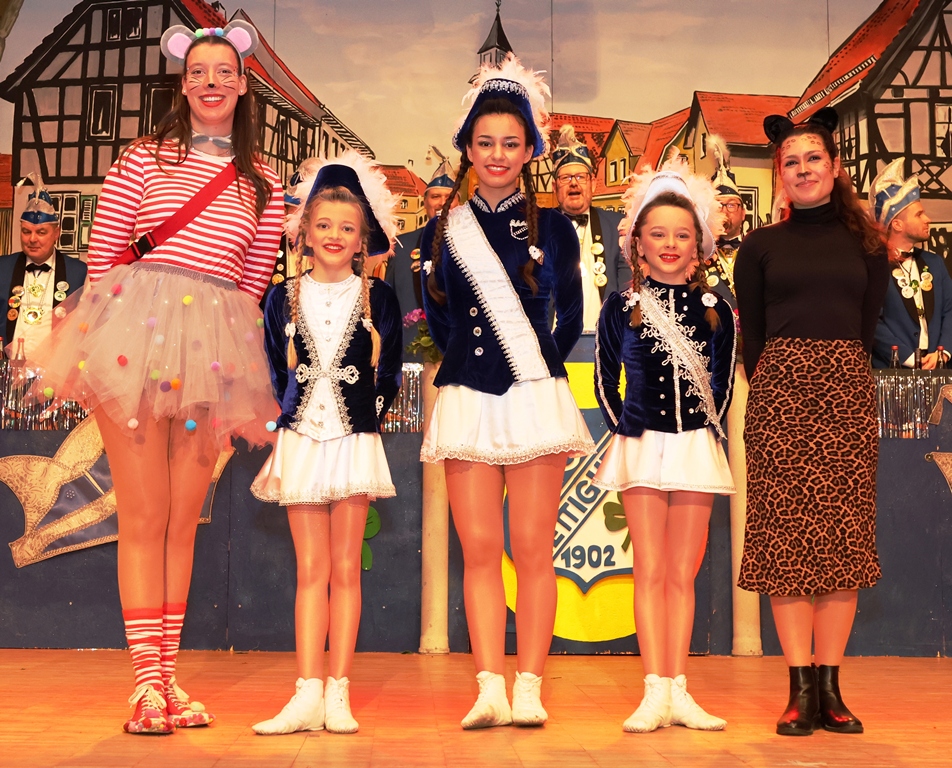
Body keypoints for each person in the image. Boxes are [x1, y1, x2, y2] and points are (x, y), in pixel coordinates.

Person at [29, 21, 284, 734]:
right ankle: (144, 685)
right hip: (132, 346)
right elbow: (104, 258)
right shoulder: (142, 157)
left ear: (243, 84)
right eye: (198, 71)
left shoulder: (264, 182)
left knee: (182, 521)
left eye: (224, 72)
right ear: (182, 82)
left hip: (213, 357)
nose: (211, 82)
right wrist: (115, 338)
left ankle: (167, 680)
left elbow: (254, 283)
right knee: (142, 516)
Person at [421, 54, 594, 729]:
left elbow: (571, 315)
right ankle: (489, 684)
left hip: (533, 396)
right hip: (469, 395)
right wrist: (470, 356)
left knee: (532, 549)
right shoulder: (444, 228)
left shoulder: (556, 228)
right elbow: (439, 316)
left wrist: (537, 360)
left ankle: (530, 685)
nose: (497, 154)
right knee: (478, 550)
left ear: (530, 151)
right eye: (484, 142)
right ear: (468, 148)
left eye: (510, 143)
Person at [734, 107, 889, 736]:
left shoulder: (868, 246)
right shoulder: (758, 247)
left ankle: (831, 689)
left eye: (813, 158)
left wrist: (832, 375)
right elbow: (752, 338)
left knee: (842, 541)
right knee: (787, 542)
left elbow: (865, 328)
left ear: (835, 166)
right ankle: (800, 690)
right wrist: (783, 385)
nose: (802, 170)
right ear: (781, 173)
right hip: (780, 401)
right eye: (791, 161)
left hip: (846, 397)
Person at [251, 152, 402, 735]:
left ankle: (339, 692)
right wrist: (296, 418)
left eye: (347, 227)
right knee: (310, 569)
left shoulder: (379, 298)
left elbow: (389, 374)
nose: (335, 236)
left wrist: (363, 419)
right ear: (305, 233)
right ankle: (306, 693)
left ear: (363, 239)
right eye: (323, 225)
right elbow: (274, 371)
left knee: (345, 568)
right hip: (302, 441)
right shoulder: (281, 297)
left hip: (354, 440)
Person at [593, 160, 736, 733]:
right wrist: (628, 428)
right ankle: (654, 689)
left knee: (683, 571)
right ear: (638, 244)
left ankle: (679, 689)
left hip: (695, 447)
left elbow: (722, 386)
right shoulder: (619, 306)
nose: (671, 244)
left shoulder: (717, 310)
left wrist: (702, 431)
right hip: (641, 446)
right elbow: (605, 378)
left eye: (682, 235)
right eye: (659, 234)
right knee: (649, 568)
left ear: (699, 244)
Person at [870, 158, 952, 368]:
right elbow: (872, 321)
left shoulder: (934, 263)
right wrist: (907, 358)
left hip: (937, 368)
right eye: (919, 214)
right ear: (897, 224)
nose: (928, 219)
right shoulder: (874, 265)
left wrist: (943, 352)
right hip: (893, 369)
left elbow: (950, 310)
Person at [552, 124, 630, 329]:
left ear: (593, 184)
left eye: (581, 177)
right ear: (554, 187)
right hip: (552, 340)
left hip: (604, 338)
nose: (574, 183)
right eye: (565, 178)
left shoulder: (618, 226)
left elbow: (627, 288)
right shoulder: (540, 227)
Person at [0, 177, 86, 357]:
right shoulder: (2, 267)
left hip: (55, 369)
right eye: (26, 232)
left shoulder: (79, 273)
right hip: (7, 367)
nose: (32, 239)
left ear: (56, 233)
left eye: (41, 232)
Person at [385, 148, 457, 355]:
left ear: (459, 203)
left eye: (449, 197)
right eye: (435, 196)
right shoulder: (401, 246)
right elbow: (388, 305)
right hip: (411, 353)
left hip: (460, 357)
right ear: (425, 202)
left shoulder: (474, 246)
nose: (442, 202)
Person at [703, 135, 745, 309]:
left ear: (743, 213)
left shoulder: (757, 250)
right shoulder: (699, 255)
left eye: (732, 205)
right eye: (719, 205)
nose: (725, 211)